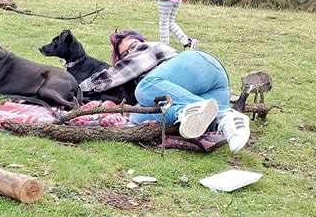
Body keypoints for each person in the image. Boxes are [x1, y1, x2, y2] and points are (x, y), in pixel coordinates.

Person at [79, 31, 250, 153]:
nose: (131, 53)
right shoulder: (150, 79)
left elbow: (112, 76)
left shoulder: (148, 48)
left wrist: (77, 87)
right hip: (209, 92)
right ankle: (225, 120)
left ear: (142, 40)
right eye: (125, 54)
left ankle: (223, 114)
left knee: (145, 88)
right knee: (137, 117)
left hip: (200, 66)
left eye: (132, 45)